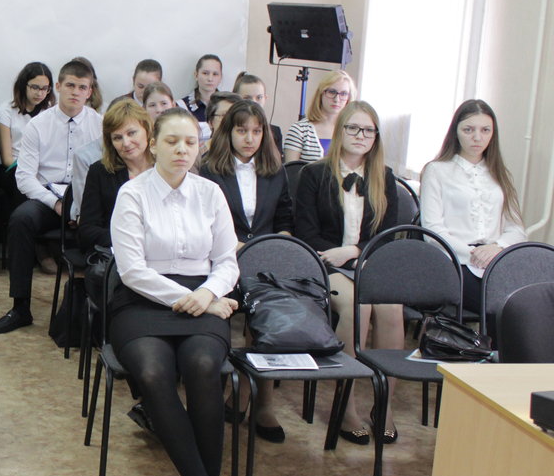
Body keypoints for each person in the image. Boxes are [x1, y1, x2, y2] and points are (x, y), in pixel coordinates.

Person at [108, 107, 240, 476]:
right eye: (171, 141)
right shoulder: (132, 193)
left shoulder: (210, 193)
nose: (182, 149)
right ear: (153, 144)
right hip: (142, 301)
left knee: (203, 366)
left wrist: (207, 294)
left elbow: (227, 261)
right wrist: (192, 299)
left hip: (202, 295)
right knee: (152, 372)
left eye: (190, 142)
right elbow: (132, 271)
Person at [294, 101, 402, 443]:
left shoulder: (384, 177)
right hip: (324, 262)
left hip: (366, 261)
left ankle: (384, 405)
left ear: (376, 137)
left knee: (391, 308)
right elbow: (306, 233)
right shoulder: (313, 174)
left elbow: (387, 234)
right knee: (358, 306)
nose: (360, 135)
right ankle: (346, 404)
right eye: (353, 127)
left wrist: (355, 252)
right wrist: (339, 256)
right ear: (340, 131)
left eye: (368, 130)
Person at [199, 100, 294, 441]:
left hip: (265, 262)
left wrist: (278, 243)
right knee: (221, 313)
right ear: (229, 132)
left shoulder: (275, 169)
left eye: (256, 131)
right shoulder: (210, 169)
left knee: (269, 314)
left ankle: (263, 402)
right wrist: (235, 246)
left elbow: (285, 218)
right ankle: (223, 393)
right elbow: (204, 222)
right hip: (223, 259)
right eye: (242, 131)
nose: (250, 138)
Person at [0, 58, 102, 334]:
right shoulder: (38, 125)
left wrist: (83, 207)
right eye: (70, 85)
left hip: (87, 199)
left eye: (82, 87)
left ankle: (98, 308)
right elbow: (24, 177)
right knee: (21, 220)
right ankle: (20, 307)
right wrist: (56, 203)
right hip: (50, 198)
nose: (75, 92)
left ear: (90, 91)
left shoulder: (100, 125)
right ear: (58, 87)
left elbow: (106, 173)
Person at [419, 99, 527, 316]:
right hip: (454, 259)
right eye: (468, 130)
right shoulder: (437, 170)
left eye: (485, 130)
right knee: (501, 305)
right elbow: (432, 230)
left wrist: (497, 248)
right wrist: (474, 254)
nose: (477, 137)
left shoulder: (499, 173)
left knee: (527, 301)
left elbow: (517, 229)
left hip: (495, 259)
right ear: (456, 131)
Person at [78, 98, 153, 253]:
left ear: (146, 129)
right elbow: (87, 231)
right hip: (119, 252)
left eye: (131, 133)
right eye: (117, 138)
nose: (126, 143)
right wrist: (130, 240)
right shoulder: (99, 172)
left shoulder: (166, 168)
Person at [283, 70, 355, 163]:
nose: (337, 99)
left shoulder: (354, 131)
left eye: (343, 94)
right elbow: (290, 170)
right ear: (321, 94)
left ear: (349, 97)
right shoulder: (299, 130)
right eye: (331, 92)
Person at [0, 61, 55, 171]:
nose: (39, 93)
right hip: (14, 168)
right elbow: (7, 159)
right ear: (23, 85)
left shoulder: (50, 110)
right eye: (35, 87)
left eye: (44, 88)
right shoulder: (6, 110)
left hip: (41, 167)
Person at [231, 71, 282, 151]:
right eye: (247, 98)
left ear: (265, 98)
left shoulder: (275, 132)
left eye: (259, 97)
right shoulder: (228, 128)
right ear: (235, 99)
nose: (254, 102)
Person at [182, 54, 223, 126]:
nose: (210, 79)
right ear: (196, 75)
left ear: (221, 77)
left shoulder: (228, 106)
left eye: (215, 74)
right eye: (205, 73)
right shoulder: (182, 106)